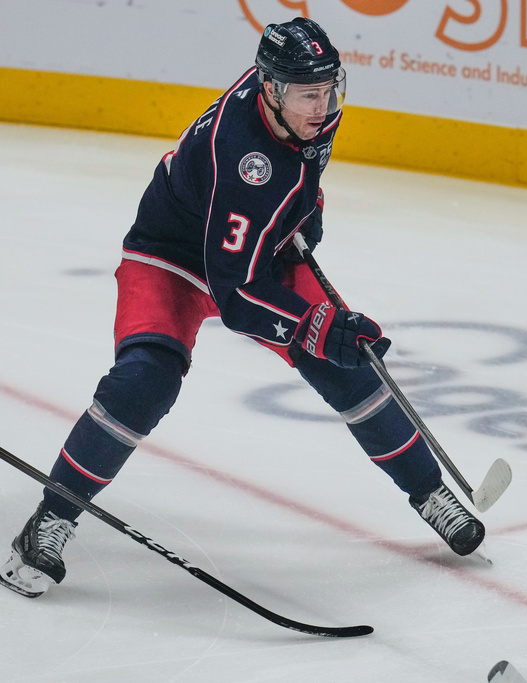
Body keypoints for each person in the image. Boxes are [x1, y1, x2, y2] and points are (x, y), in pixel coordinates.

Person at [1, 17, 484, 599]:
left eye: (330, 88)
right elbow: (237, 295)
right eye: (309, 94)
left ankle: (429, 491)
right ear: (271, 90)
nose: (323, 105)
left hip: (255, 246)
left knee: (348, 362)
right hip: (174, 257)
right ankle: (50, 520)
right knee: (144, 382)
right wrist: (315, 327)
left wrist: (307, 217)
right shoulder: (244, 157)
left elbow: (297, 180)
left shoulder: (298, 105)